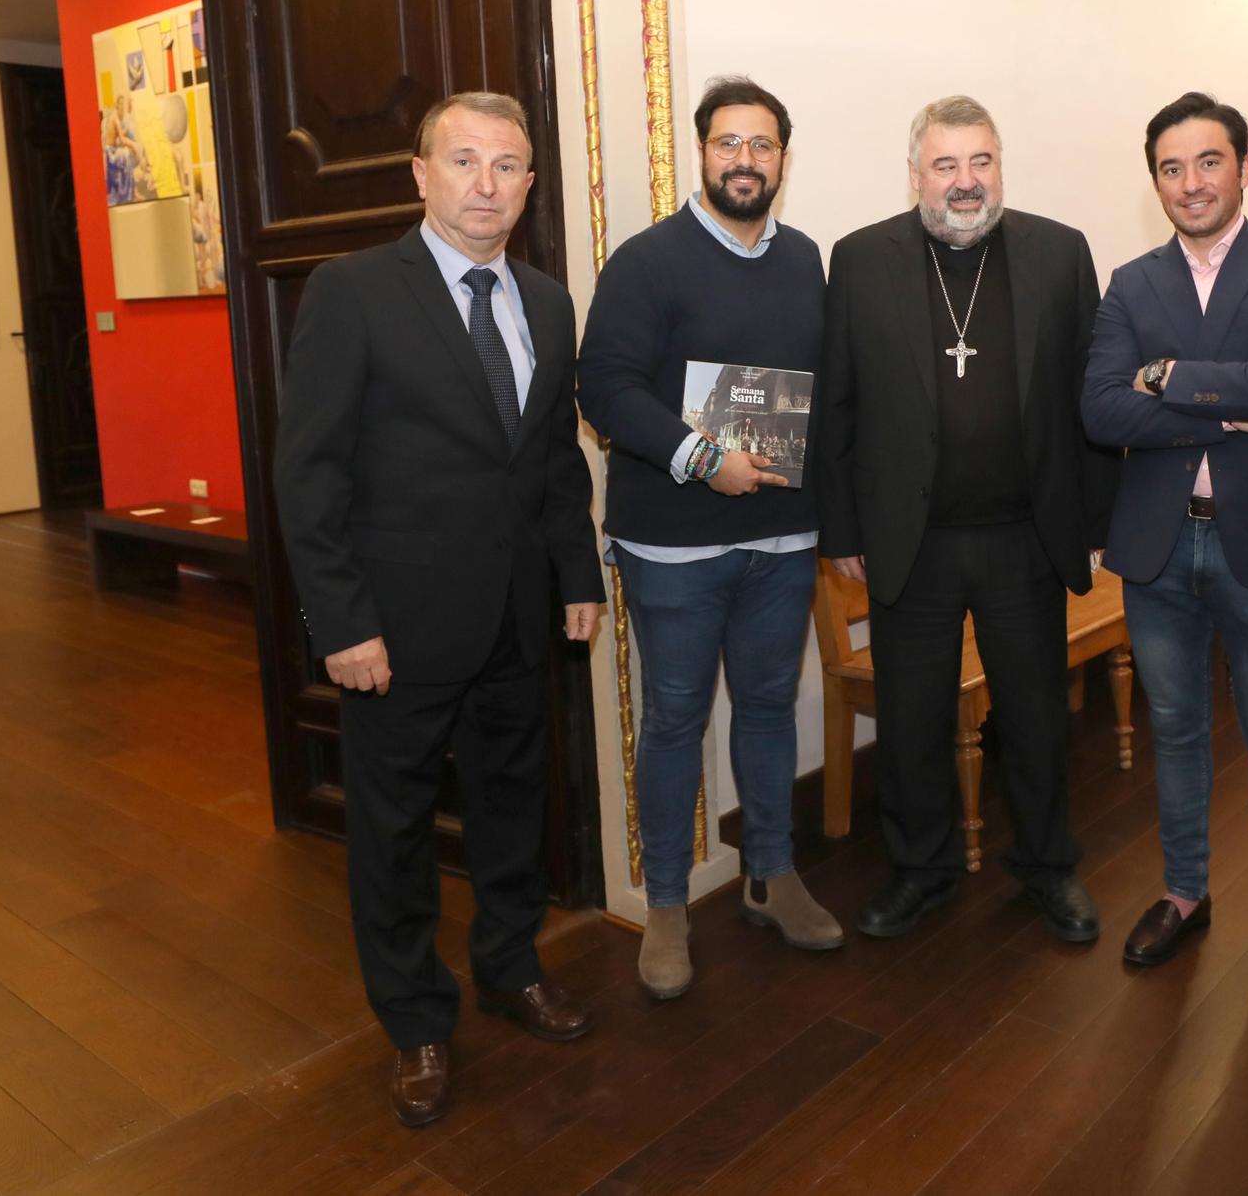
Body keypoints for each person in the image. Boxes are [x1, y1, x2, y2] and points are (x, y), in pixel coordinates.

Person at [273, 91, 606, 1129]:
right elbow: (309, 471)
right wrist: (341, 623)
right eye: (463, 161)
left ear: (528, 187)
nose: (486, 184)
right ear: (421, 175)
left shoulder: (548, 302)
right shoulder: (354, 290)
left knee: (514, 807)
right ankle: (416, 1018)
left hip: (517, 617)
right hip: (397, 628)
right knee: (394, 828)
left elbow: (551, 460)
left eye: (507, 166)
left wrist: (581, 578)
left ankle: (510, 968)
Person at [814, 95, 1117, 941]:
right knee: (911, 718)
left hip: (1025, 532)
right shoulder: (862, 259)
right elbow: (836, 405)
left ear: (999, 166)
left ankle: (1048, 867)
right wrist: (840, 534)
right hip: (910, 541)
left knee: (1034, 715)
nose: (964, 181)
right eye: (945, 165)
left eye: (979, 162)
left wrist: (1094, 520)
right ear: (916, 174)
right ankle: (922, 869)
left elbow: (1087, 399)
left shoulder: (1059, 253)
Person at [576, 76, 842, 1001]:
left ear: (782, 157)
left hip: (780, 539)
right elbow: (603, 390)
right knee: (676, 719)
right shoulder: (646, 261)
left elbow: (826, 391)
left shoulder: (806, 258)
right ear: (701, 152)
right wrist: (700, 456)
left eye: (761, 145)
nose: (744, 160)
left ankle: (771, 874)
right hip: (675, 546)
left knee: (769, 708)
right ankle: (666, 907)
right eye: (728, 143)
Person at [1081, 92, 1248, 1005]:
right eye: (1170, 167)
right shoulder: (1130, 283)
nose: (1190, 183)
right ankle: (1184, 893)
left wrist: (1165, 380)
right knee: (1176, 730)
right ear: (1154, 178)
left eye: (1208, 163)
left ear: (1240, 166)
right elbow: (1100, 408)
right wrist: (1226, 404)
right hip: (1159, 546)